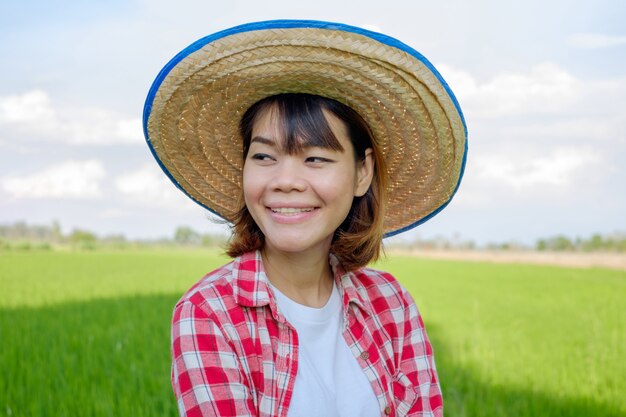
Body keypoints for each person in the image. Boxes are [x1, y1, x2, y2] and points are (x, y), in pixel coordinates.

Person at [143, 20, 467, 417]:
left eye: (315, 158)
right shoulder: (209, 313)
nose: (286, 182)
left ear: (362, 173)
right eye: (263, 156)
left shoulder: (390, 303)